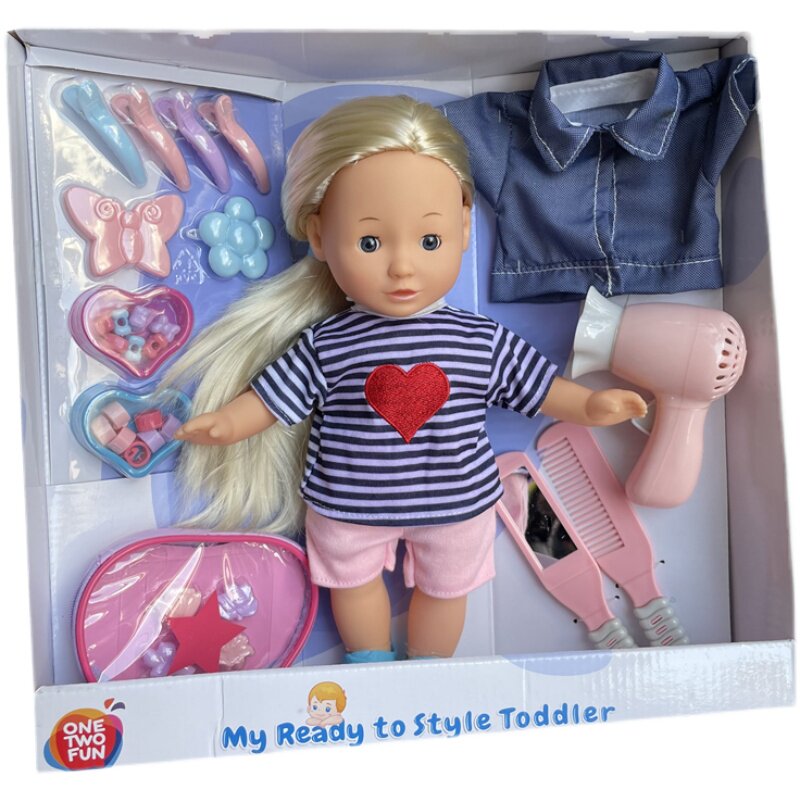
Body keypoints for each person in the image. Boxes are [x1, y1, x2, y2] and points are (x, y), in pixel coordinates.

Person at [165, 95, 646, 663]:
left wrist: (591, 407)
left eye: (429, 241)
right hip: (348, 504)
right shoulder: (328, 342)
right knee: (351, 583)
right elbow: (273, 399)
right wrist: (227, 422)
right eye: (370, 243)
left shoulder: (478, 340)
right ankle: (369, 663)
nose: (401, 266)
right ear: (319, 237)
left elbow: (539, 388)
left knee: (447, 589)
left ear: (462, 229)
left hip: (457, 501)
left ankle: (429, 670)